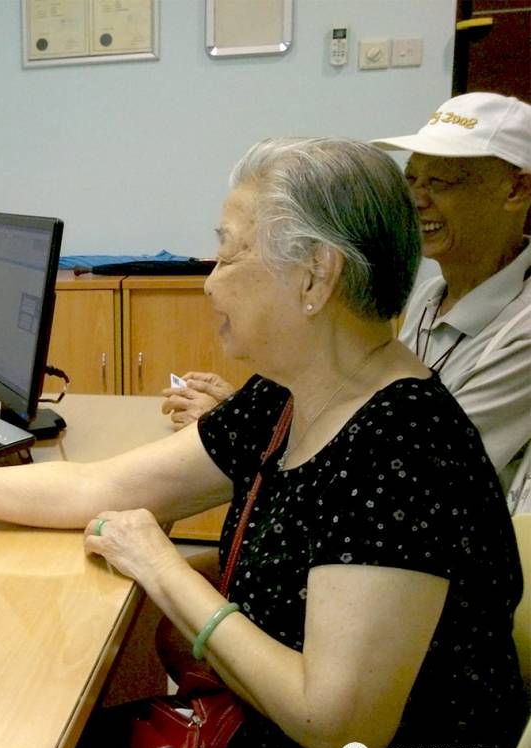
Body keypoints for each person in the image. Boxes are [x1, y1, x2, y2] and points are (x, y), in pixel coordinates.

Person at [0, 138, 525, 748]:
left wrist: (163, 568)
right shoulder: (289, 394)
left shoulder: (402, 448)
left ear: (315, 276)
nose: (210, 283)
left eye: (230, 254)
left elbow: (336, 728)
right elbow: (102, 487)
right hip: (253, 732)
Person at [163, 92, 531, 514]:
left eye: (441, 183)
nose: (416, 200)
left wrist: (244, 428)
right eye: (411, 180)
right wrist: (246, 418)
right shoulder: (432, 296)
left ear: (517, 189)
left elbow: (410, 458)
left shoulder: (522, 330)